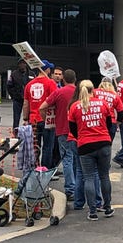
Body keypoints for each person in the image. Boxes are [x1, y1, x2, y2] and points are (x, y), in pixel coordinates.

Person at [67, 80, 114, 221]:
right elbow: (109, 124)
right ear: (93, 89)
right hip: (103, 142)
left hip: (85, 145)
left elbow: (73, 129)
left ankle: (92, 211)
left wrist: (82, 137)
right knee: (104, 176)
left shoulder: (75, 107)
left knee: (88, 177)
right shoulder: (103, 103)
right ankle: (107, 207)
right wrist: (107, 139)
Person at [39, 69, 77, 200]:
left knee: (67, 159)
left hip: (63, 130)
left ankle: (70, 189)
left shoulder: (59, 92)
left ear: (63, 79)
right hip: (79, 130)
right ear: (75, 79)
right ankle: (79, 188)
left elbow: (42, 107)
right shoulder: (80, 92)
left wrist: (47, 120)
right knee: (78, 160)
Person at [22, 60, 57, 166]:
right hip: (47, 119)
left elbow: (26, 103)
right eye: (49, 68)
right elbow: (55, 100)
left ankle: (34, 168)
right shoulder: (51, 83)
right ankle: (45, 169)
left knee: (35, 146)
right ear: (46, 69)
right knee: (48, 146)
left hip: (33, 119)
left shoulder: (29, 85)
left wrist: (25, 119)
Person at [7, 60, 31, 130]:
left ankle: (29, 132)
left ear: (26, 64)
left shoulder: (31, 74)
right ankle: (15, 132)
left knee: (29, 117)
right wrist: (14, 96)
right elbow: (9, 86)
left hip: (28, 100)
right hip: (18, 100)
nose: (22, 65)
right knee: (16, 117)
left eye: (23, 63)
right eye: (20, 64)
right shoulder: (14, 74)